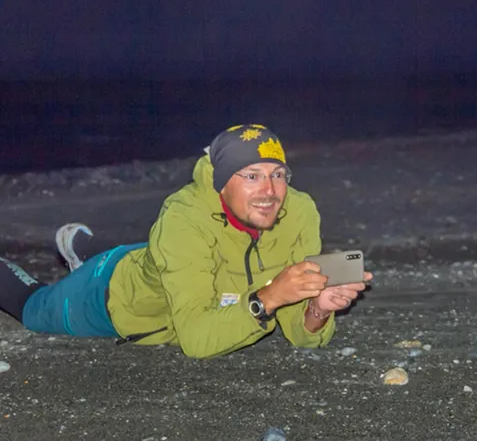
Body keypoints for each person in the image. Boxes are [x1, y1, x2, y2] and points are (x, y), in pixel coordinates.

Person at [0, 124, 372, 359]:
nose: (269, 191)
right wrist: (271, 296)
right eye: (251, 175)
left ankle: (86, 249)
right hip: (114, 297)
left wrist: (317, 310)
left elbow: (299, 333)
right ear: (222, 182)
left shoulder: (300, 211)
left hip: (164, 259)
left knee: (158, 254)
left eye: (278, 174)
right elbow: (196, 340)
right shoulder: (183, 216)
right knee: (32, 309)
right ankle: (90, 262)